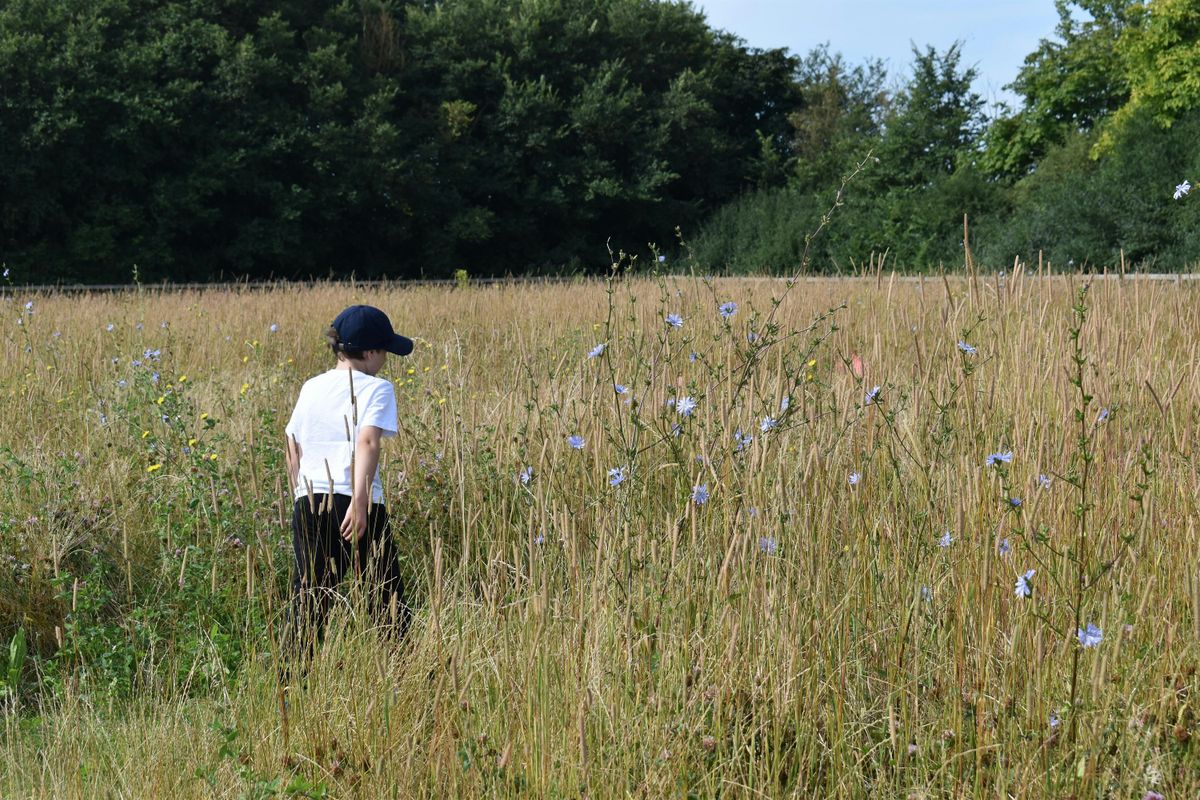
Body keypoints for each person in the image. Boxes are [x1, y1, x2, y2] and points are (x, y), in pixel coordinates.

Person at [283, 304, 414, 656]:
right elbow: (368, 441)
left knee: (308, 598)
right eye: (385, 350)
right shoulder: (377, 389)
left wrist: (300, 494)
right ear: (370, 352)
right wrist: (360, 501)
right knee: (385, 594)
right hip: (352, 502)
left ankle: (291, 684)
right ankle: (404, 675)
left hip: (308, 500)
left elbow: (292, 445)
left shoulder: (311, 387)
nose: (386, 359)